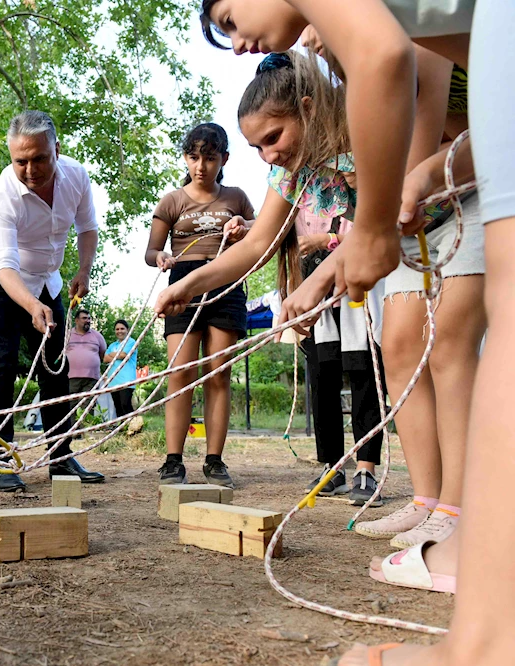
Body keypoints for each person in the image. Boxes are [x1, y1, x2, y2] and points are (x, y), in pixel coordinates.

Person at [195, 3, 507, 663]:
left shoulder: (353, 43)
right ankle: (450, 534)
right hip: (453, 168)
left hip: (458, 184)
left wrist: (380, 215)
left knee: (463, 339)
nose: (232, 37)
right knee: (420, 345)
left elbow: (392, 63)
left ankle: (467, 578)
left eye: (226, 13)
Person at [0, 109, 104, 491]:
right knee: (3, 359)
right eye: (20, 161)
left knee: (55, 365)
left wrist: (83, 271)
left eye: (39, 158)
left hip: (49, 277)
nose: (30, 169)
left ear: (56, 150)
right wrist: (31, 306)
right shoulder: (3, 195)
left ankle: (60, 458)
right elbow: (6, 266)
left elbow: (88, 228)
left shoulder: (76, 176)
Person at [145, 122, 256, 489]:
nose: (201, 166)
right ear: (185, 158)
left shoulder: (236, 197)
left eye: (209, 158)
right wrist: (161, 256)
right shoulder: (172, 201)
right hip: (183, 286)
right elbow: (151, 251)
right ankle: (173, 460)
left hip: (227, 283)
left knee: (218, 371)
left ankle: (214, 460)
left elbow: (261, 230)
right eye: (194, 157)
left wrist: (245, 225)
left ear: (223, 158)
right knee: (179, 372)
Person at [296, 209, 387, 506]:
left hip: (358, 290)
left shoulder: (353, 181)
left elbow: (377, 236)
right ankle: (332, 467)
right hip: (315, 295)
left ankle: (366, 470)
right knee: (322, 380)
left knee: (364, 376)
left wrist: (329, 239)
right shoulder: (296, 194)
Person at [66, 308, 107, 395]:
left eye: (89, 318)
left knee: (88, 406)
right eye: (84, 318)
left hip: (91, 378)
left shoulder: (97, 336)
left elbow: (102, 354)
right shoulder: (67, 335)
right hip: (70, 378)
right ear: (76, 320)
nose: (87, 321)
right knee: (70, 406)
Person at [103, 319, 139, 418]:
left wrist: (112, 355)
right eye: (117, 329)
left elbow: (123, 355)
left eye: (122, 329)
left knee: (125, 404)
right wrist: (116, 355)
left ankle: (134, 425)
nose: (120, 331)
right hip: (113, 381)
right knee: (118, 407)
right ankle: (122, 429)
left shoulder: (131, 342)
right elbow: (105, 359)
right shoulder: (112, 345)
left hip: (126, 380)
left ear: (127, 330)